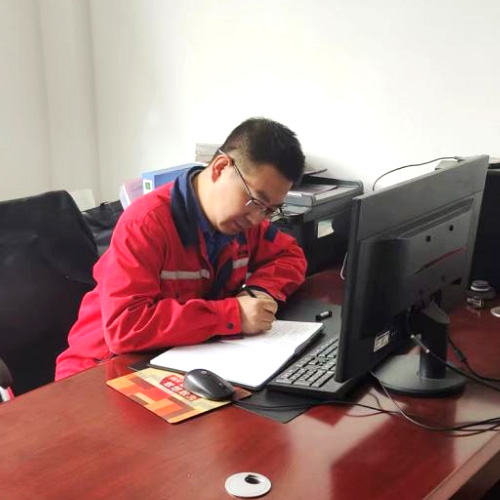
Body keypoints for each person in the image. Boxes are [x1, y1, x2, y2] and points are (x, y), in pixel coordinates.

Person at [55, 117, 307, 380]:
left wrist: (259, 293)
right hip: (98, 370)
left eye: (269, 209)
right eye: (255, 201)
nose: (257, 218)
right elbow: (125, 327)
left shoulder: (242, 223)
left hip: (174, 358)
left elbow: (289, 255)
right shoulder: (146, 224)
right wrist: (233, 314)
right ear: (220, 167)